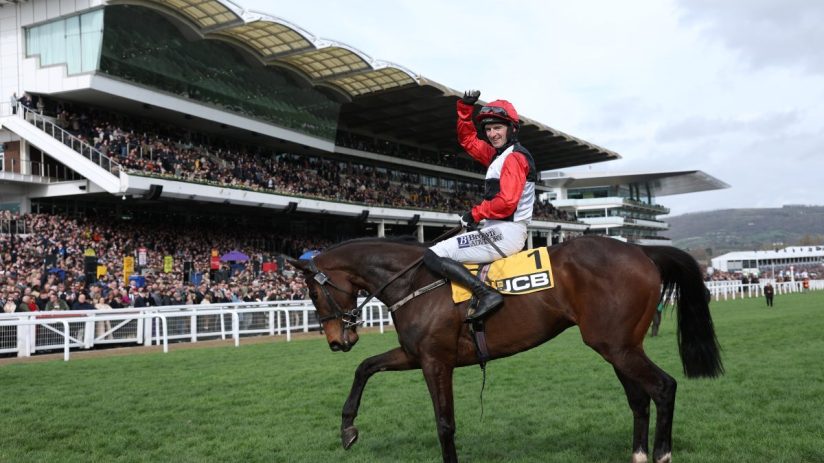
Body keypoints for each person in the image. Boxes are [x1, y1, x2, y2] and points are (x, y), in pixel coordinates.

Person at [423, 90, 536, 322]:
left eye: (498, 128)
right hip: (496, 229)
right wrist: (465, 109)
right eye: (489, 129)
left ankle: (486, 295)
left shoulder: (514, 158)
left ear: (512, 128)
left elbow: (506, 202)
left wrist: (475, 213)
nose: (492, 134)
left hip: (506, 232)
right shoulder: (499, 155)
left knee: (434, 254)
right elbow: (468, 141)